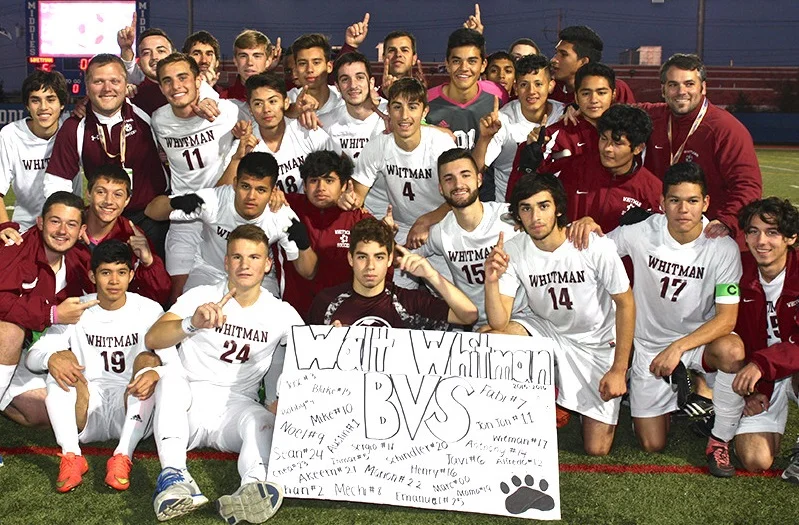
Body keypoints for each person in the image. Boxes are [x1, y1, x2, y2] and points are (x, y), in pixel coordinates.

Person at [145, 225, 298, 523]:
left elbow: (310, 352)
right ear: (226, 262)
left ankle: (253, 486)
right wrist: (191, 322)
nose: (245, 265)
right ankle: (174, 478)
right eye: (237, 257)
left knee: (263, 420)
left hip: (235, 406)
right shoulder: (201, 296)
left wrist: (333, 338)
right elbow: (153, 338)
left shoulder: (281, 312)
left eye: (254, 257)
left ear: (267, 264)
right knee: (169, 381)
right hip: (187, 402)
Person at [604, 162, 745, 477]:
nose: (684, 209)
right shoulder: (642, 232)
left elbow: (726, 320)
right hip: (648, 343)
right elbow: (597, 250)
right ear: (661, 202)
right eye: (675, 200)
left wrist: (678, 348)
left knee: (732, 352)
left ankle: (719, 435)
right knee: (651, 445)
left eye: (693, 201)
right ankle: (672, 391)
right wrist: (585, 226)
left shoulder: (722, 248)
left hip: (697, 342)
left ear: (706, 203)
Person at [484, 174, 634, 456]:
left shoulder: (593, 246)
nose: (535, 216)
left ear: (559, 209)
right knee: (492, 338)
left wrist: (618, 370)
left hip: (596, 344)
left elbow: (626, 304)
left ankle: (558, 398)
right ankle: (532, 405)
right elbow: (499, 321)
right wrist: (491, 280)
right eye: (526, 208)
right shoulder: (514, 250)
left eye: (543, 206)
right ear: (517, 214)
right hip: (547, 330)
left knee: (597, 449)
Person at [26, 240, 171, 492]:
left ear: (131, 274)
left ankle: (123, 455)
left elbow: (174, 363)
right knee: (60, 362)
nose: (114, 280)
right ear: (93, 275)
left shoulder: (149, 310)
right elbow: (33, 356)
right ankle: (71, 455)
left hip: (131, 407)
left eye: (121, 272)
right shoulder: (77, 308)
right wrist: (51, 359)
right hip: (86, 405)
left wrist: (156, 372)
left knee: (148, 361)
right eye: (106, 272)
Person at [43, 53, 169, 256]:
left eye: (114, 81)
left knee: (157, 282)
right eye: (98, 81)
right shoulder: (74, 127)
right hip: (103, 221)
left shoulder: (148, 110)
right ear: (87, 85)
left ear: (126, 83)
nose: (107, 88)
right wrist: (71, 222)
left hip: (151, 216)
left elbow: (185, 92)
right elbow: (57, 182)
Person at [145, 151, 315, 298]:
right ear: (234, 183)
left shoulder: (281, 216)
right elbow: (151, 211)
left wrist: (304, 244)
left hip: (258, 278)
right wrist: (176, 203)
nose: (251, 196)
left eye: (261, 190)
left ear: (273, 191)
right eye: (245, 186)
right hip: (209, 272)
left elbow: (308, 272)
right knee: (187, 318)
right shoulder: (214, 201)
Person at [640, 53, 762, 240]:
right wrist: (577, 108)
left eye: (689, 84)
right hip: (666, 232)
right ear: (663, 90)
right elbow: (611, 108)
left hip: (711, 236)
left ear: (703, 87)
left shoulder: (725, 128)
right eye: (673, 85)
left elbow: (747, 186)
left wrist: (727, 220)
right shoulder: (653, 116)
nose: (681, 91)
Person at [151, 53, 241, 302]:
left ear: (198, 79)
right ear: (160, 87)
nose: (176, 86)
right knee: (178, 295)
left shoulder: (226, 112)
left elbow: (256, 126)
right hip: (184, 214)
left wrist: (208, 98)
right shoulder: (159, 120)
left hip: (222, 213)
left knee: (228, 290)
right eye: (167, 81)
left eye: (183, 78)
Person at [0, 192, 93, 428]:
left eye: (71, 224)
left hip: (18, 354)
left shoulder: (79, 259)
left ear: (81, 229)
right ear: (40, 222)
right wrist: (51, 314)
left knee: (45, 411)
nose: (62, 230)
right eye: (55, 221)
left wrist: (147, 262)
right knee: (11, 332)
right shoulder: (14, 248)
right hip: (6, 342)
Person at [341, 77, 456, 257]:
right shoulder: (378, 145)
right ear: (388, 110)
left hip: (442, 222)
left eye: (412, 107)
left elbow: (459, 197)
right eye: (397, 107)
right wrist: (346, 200)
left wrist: (425, 221)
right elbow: (356, 197)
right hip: (400, 228)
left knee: (450, 284)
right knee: (389, 281)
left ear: (424, 111)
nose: (404, 116)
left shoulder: (441, 144)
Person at [729, 198, 799, 476]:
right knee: (755, 460)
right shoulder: (736, 270)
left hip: (788, 370)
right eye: (753, 231)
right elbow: (725, 331)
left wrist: (761, 364)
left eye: (772, 232)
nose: (762, 241)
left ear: (791, 237)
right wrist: (752, 391)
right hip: (759, 378)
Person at [417, 148, 520, 329]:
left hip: (518, 317)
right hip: (470, 322)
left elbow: (553, 231)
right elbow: (405, 255)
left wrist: (586, 222)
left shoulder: (509, 217)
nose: (458, 184)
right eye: (449, 179)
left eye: (465, 175)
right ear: (441, 189)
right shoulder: (440, 233)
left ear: (479, 179)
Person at [309, 218, 477, 327]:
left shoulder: (408, 303)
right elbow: (306, 357)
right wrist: (327, 343)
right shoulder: (326, 302)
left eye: (379, 257)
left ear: (390, 260)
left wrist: (432, 275)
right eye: (362, 257)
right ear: (351, 259)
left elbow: (469, 316)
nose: (370, 266)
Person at [280, 151, 372, 320]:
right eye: (314, 180)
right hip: (295, 317)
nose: (321, 188)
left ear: (343, 185)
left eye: (329, 181)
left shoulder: (358, 219)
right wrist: (274, 195)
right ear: (305, 186)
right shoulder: (286, 207)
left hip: (345, 318)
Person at [219, 72, 335, 194]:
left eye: (273, 101)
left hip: (307, 209)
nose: (266, 109)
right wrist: (237, 159)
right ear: (251, 110)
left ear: (285, 103)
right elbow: (220, 194)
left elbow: (338, 167)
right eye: (258, 104)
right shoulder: (244, 143)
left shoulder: (305, 129)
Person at [560, 104, 662, 240]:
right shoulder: (575, 168)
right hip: (570, 255)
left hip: (618, 260)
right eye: (603, 139)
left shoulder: (652, 190)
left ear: (638, 148)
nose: (607, 148)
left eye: (617, 143)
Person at [473, 54, 565, 201]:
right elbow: (475, 171)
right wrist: (484, 139)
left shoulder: (564, 114)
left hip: (555, 208)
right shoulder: (502, 120)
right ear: (515, 88)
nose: (531, 91)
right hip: (509, 209)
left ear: (551, 85)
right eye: (524, 84)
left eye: (538, 84)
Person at [79, 166, 170, 305]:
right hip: (70, 318)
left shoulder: (131, 235)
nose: (109, 201)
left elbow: (159, 298)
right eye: (101, 192)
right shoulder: (67, 227)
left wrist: (149, 262)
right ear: (88, 194)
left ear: (127, 200)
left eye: (118, 194)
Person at [320, 51, 389, 217]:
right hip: (346, 213)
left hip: (391, 213)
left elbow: (424, 129)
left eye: (359, 77)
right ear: (337, 86)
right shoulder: (324, 124)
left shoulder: (393, 114)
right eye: (345, 79)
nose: (353, 85)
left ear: (371, 82)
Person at [0, 70, 68, 232]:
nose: (43, 107)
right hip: (25, 228)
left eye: (51, 99)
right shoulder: (10, 135)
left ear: (62, 103)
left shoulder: (72, 131)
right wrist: (4, 227)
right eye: (35, 100)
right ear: (27, 105)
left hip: (67, 227)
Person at [549, 25, 635, 105]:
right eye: (556, 53)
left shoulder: (612, 87)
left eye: (563, 54)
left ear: (583, 62)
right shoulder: (550, 88)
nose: (553, 60)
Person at [118, 27, 176, 115]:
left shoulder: (192, 89)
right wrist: (126, 48)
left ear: (173, 56)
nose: (154, 57)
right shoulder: (133, 96)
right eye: (146, 53)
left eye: (161, 51)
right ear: (139, 61)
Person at [219, 29, 281, 102]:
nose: (250, 63)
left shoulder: (279, 98)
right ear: (235, 60)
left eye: (257, 56)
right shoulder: (222, 99)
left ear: (268, 61)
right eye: (243, 56)